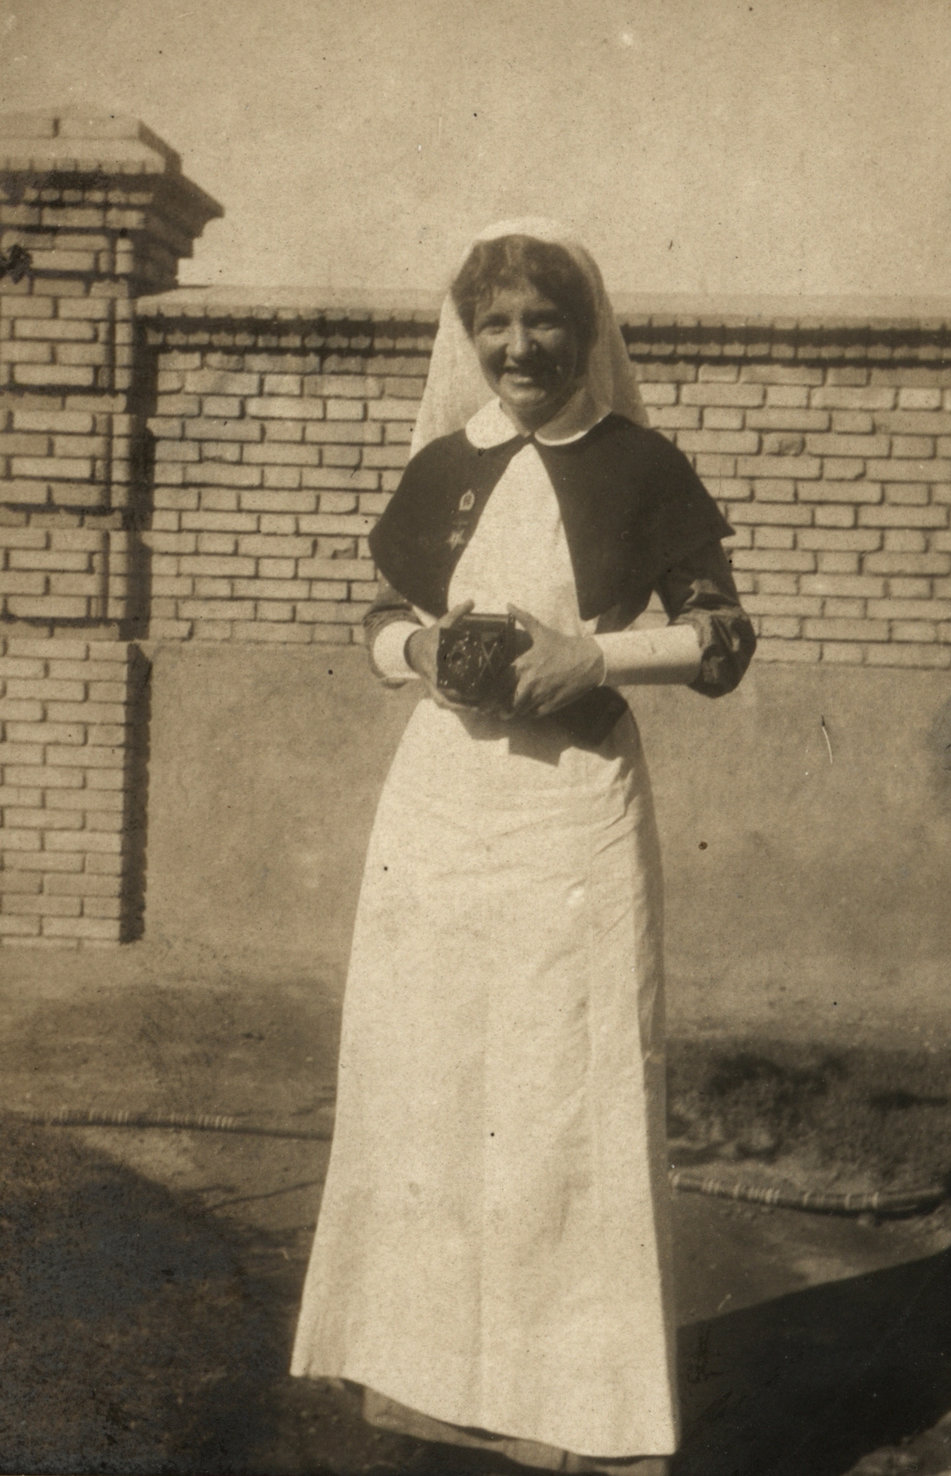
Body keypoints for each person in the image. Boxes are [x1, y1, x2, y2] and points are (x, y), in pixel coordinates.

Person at [291, 220, 756, 1475]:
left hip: (572, 813)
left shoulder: (638, 463)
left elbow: (722, 640)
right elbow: (382, 618)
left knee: (565, 1086)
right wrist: (420, 653)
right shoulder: (446, 461)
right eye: (493, 323)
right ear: (467, 336)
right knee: (431, 1074)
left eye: (541, 320)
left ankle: (579, 1406)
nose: (518, 347)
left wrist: (593, 655)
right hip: (439, 806)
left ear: (585, 329)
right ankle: (428, 1370)